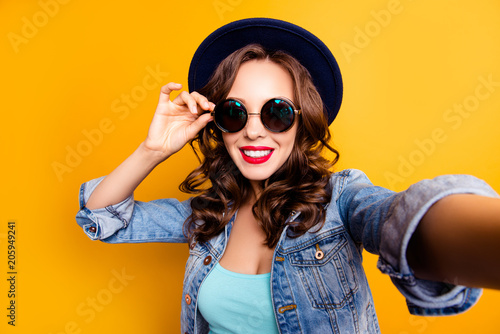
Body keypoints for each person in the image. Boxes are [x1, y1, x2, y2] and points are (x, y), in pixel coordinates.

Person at [75, 18, 500, 333]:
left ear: (301, 123)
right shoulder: (207, 217)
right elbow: (104, 218)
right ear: (216, 124)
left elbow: (398, 218)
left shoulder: (341, 201)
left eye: (277, 112)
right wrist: (153, 150)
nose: (254, 129)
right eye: (234, 112)